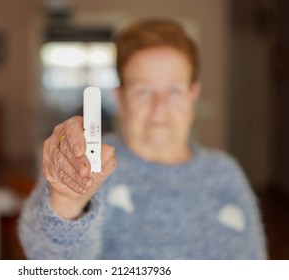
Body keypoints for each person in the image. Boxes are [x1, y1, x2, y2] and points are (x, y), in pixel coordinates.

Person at [18, 19, 267, 259]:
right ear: (121, 99)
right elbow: (47, 260)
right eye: (143, 90)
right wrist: (67, 205)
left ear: (193, 95)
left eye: (174, 90)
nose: (159, 107)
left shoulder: (225, 174)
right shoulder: (84, 164)